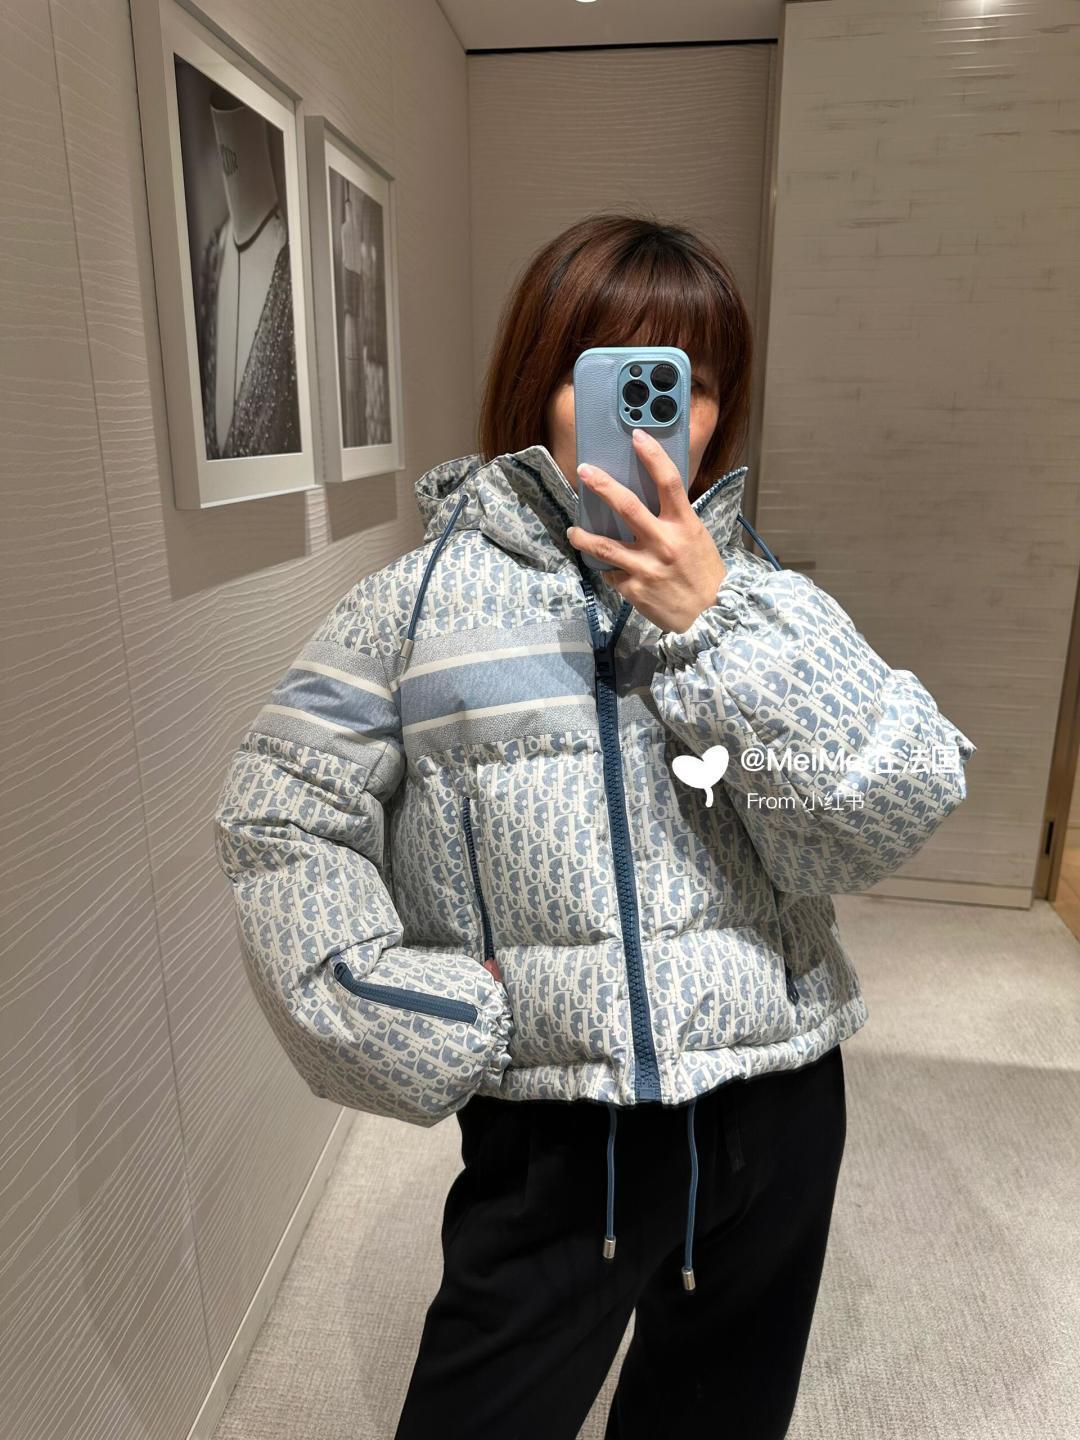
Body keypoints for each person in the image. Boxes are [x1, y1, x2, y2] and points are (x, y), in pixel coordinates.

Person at [213, 213, 976, 1439]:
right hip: (553, 1134)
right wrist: (415, 1010)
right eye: (614, 374)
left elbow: (885, 812)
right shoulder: (409, 609)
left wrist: (715, 624)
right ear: (541, 379)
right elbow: (278, 817)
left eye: (692, 385)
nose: (656, 417)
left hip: (776, 1106)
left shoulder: (768, 598)